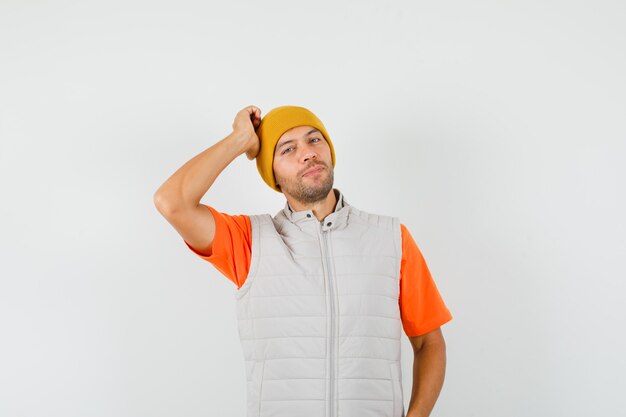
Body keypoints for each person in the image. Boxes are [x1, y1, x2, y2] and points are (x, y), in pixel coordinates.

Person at [153, 105, 453, 417]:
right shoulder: (249, 241)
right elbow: (171, 202)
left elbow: (429, 344)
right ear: (274, 177)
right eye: (288, 149)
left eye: (314, 140)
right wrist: (240, 139)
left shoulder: (391, 237)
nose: (307, 153)